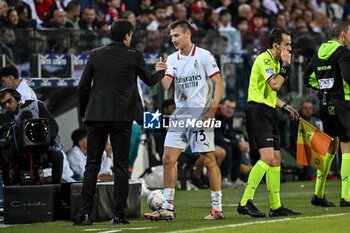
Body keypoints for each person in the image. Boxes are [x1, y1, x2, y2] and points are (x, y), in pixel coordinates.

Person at [74, 19, 167, 226]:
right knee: (121, 167)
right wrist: (161, 70)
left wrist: (85, 112)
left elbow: (82, 87)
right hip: (122, 118)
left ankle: (86, 214)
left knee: (92, 165)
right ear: (127, 36)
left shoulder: (96, 54)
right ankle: (119, 215)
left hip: (96, 116)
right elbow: (150, 81)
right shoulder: (134, 55)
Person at [144, 19, 225, 221]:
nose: (173, 39)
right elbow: (165, 85)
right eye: (171, 36)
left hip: (200, 113)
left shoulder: (204, 56)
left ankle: (217, 209)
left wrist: (212, 111)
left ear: (188, 34)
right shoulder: (172, 58)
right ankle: (168, 208)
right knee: (168, 159)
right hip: (180, 115)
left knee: (208, 159)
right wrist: (160, 71)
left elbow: (218, 84)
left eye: (177, 35)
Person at [237, 27, 301, 218]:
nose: (290, 48)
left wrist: (284, 106)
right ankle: (245, 201)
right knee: (266, 158)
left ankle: (276, 205)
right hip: (257, 112)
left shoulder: (274, 61)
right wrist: (286, 66)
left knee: (276, 160)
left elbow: (271, 93)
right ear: (276, 45)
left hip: (267, 110)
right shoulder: (265, 59)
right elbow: (275, 84)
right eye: (287, 44)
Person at [304, 20, 350, 207]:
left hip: (325, 104)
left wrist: (325, 89)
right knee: (347, 147)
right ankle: (346, 196)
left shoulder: (319, 53)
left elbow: (308, 78)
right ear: (343, 34)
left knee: (331, 146)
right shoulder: (343, 53)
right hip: (342, 104)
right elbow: (348, 77)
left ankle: (318, 194)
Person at [0, 87, 63, 185]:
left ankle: (56, 187)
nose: (7, 105)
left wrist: (45, 141)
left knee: (57, 156)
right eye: (3, 104)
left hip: (42, 149)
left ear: (16, 97)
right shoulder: (6, 118)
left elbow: (53, 126)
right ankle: (8, 189)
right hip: (19, 152)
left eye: (9, 101)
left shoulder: (36, 105)